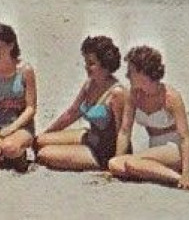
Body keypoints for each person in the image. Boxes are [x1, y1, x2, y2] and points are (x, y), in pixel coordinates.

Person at [108, 45, 189, 191]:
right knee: (115, 164)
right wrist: (119, 158)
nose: (127, 76)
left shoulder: (171, 97)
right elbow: (125, 131)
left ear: (142, 73)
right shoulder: (134, 95)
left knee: (132, 164)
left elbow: (184, 138)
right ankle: (162, 173)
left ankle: (182, 179)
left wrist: (186, 172)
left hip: (174, 149)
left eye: (130, 71)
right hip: (154, 149)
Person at [35, 35, 128, 172]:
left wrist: (117, 163)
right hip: (90, 136)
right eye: (86, 62)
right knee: (39, 141)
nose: (87, 67)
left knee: (45, 153)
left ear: (105, 65)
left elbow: (122, 132)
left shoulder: (117, 93)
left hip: (105, 151)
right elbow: (72, 113)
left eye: (91, 63)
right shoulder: (90, 84)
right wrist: (47, 133)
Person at [0, 22, 37, 171]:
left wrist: (10, 130)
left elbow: (31, 108)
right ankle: (6, 155)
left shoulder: (25, 71)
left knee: (9, 147)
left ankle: (18, 154)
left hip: (20, 122)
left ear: (10, 45)